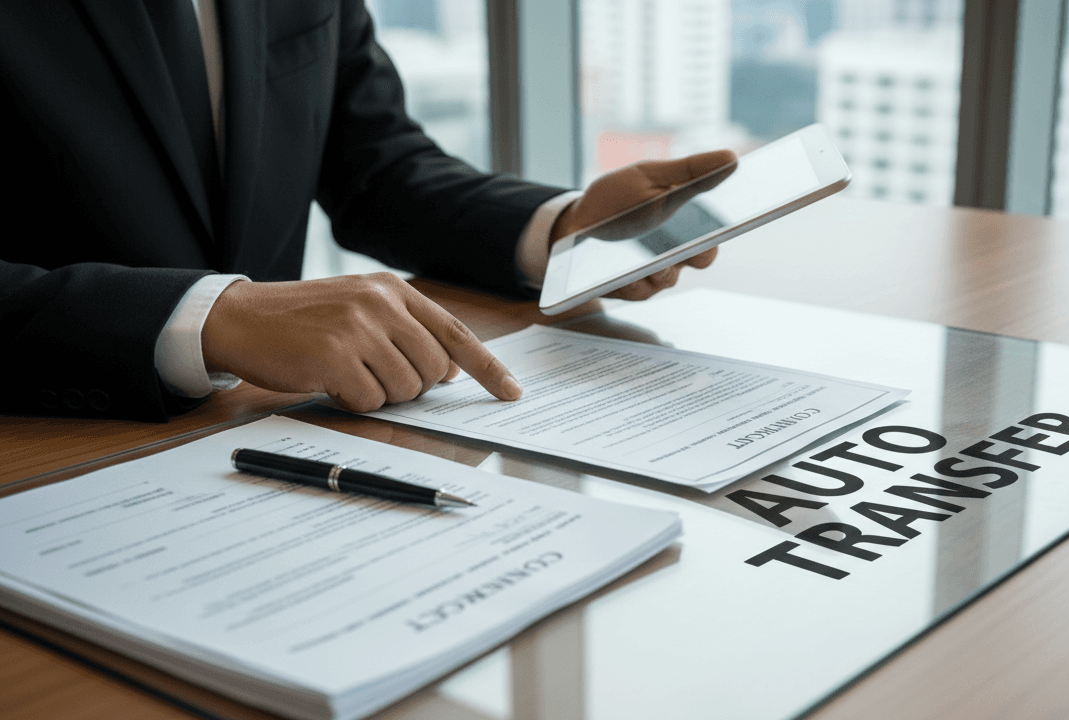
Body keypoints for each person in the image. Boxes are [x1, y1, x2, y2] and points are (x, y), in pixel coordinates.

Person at [0, 0, 735, 421]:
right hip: (46, 448)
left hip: (263, 435)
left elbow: (376, 166)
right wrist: (208, 318)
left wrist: (556, 230)